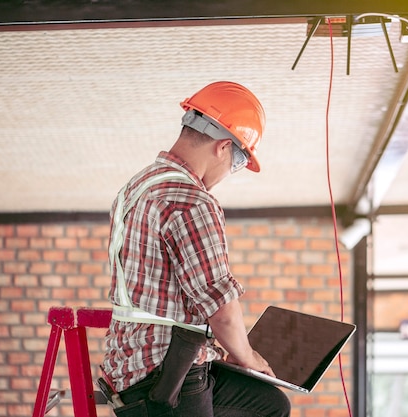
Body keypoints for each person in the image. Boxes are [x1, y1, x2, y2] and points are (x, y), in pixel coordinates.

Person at [102, 81, 291, 417]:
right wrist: (248, 357)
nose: (230, 173)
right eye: (237, 162)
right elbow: (222, 310)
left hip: (129, 361)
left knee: (270, 405)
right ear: (222, 147)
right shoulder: (191, 201)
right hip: (165, 374)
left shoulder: (137, 186)